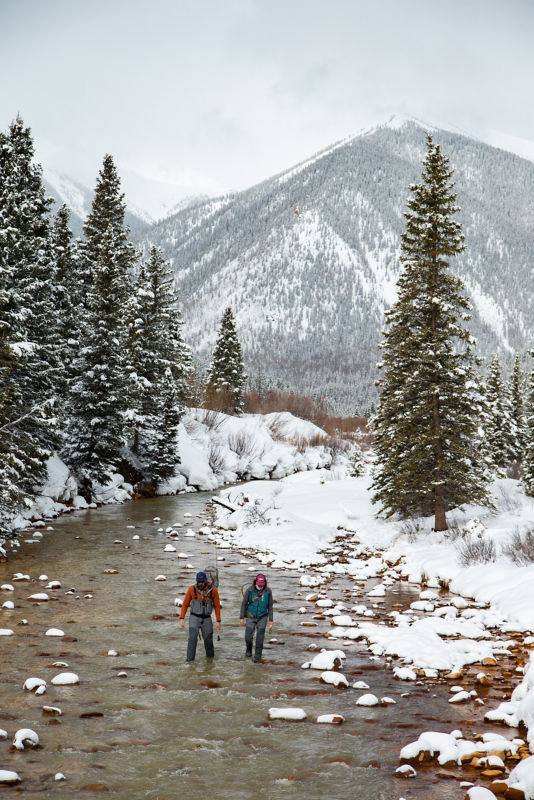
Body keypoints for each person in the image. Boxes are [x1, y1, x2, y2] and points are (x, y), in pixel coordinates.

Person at [179, 571, 221, 662]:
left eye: (202, 581)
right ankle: (190, 661)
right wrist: (182, 618)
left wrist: (218, 620)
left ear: (205, 580)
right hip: (194, 617)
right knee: (192, 639)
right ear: (197, 581)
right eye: (199, 582)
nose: (200, 583)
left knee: (208, 640)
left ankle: (210, 662)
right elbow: (185, 604)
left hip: (207, 619)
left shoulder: (213, 590)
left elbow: (217, 605)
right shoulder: (191, 589)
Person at [240, 573, 273, 663]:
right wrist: (241, 617)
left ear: (265, 583)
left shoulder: (268, 591)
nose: (260, 586)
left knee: (260, 638)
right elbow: (243, 604)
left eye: (262, 584)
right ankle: (249, 650)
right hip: (251, 616)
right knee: (248, 637)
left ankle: (257, 656)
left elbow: (270, 606)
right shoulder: (249, 590)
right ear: (255, 582)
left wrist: (271, 620)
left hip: (263, 617)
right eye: (258, 584)